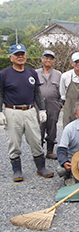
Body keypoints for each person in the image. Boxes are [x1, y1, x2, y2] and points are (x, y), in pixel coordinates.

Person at [0, 44, 53, 182]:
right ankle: (17, 170)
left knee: (36, 140)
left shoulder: (31, 73)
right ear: (11, 57)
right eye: (17, 54)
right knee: (14, 142)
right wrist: (0, 111)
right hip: (12, 111)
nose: (20, 57)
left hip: (29, 110)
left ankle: (41, 168)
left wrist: (41, 109)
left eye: (22, 54)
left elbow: (37, 93)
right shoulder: (4, 74)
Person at [36, 50, 63, 160]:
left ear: (53, 61)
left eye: (51, 59)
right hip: (39, 106)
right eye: (46, 58)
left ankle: (50, 151)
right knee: (39, 129)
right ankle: (38, 151)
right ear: (42, 60)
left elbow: (62, 91)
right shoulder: (35, 73)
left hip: (53, 106)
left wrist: (59, 105)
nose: (48, 60)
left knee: (52, 128)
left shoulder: (58, 74)